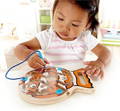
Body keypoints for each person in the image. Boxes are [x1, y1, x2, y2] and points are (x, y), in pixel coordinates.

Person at [14, 0, 111, 80]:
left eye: (75, 24)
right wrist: (29, 56)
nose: (65, 27)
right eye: (60, 19)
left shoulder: (85, 37)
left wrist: (100, 62)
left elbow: (105, 52)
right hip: (52, 81)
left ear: (87, 25)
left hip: (75, 80)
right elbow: (19, 48)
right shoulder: (47, 37)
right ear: (53, 13)